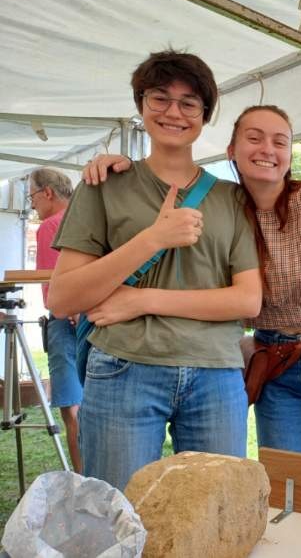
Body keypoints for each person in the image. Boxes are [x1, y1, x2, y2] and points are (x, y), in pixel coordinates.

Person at [83, 104, 301, 467]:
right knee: (283, 481)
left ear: (289, 155)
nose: (267, 149)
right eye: (254, 138)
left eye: (280, 142)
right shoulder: (225, 207)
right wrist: (121, 167)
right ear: (231, 150)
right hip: (274, 362)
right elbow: (166, 179)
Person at [48, 50, 261, 491]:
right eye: (160, 98)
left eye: (189, 103)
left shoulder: (232, 198)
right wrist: (153, 239)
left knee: (215, 511)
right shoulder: (103, 185)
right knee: (117, 511)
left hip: (215, 372)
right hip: (124, 367)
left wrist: (143, 299)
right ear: (141, 105)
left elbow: (247, 301)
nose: (173, 113)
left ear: (205, 115)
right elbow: (63, 298)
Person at [28, 168, 82, 473]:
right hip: (97, 318)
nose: (33, 204)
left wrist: (72, 308)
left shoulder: (50, 225)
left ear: (47, 192)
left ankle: (84, 480)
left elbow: (56, 287)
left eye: (33, 197)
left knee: (72, 409)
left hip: (66, 319)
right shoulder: (87, 217)